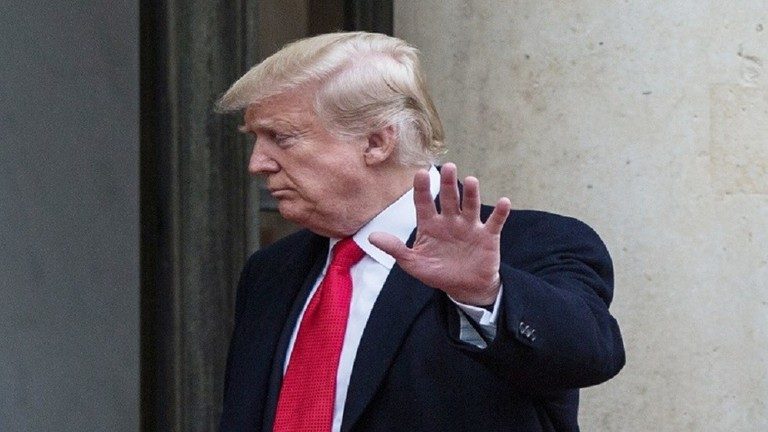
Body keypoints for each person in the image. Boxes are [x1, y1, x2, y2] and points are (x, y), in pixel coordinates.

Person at [216, 31, 624, 432]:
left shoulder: (529, 244)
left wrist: (486, 295)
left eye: (281, 138)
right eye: (256, 139)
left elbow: (591, 356)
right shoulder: (271, 270)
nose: (257, 163)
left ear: (376, 142)